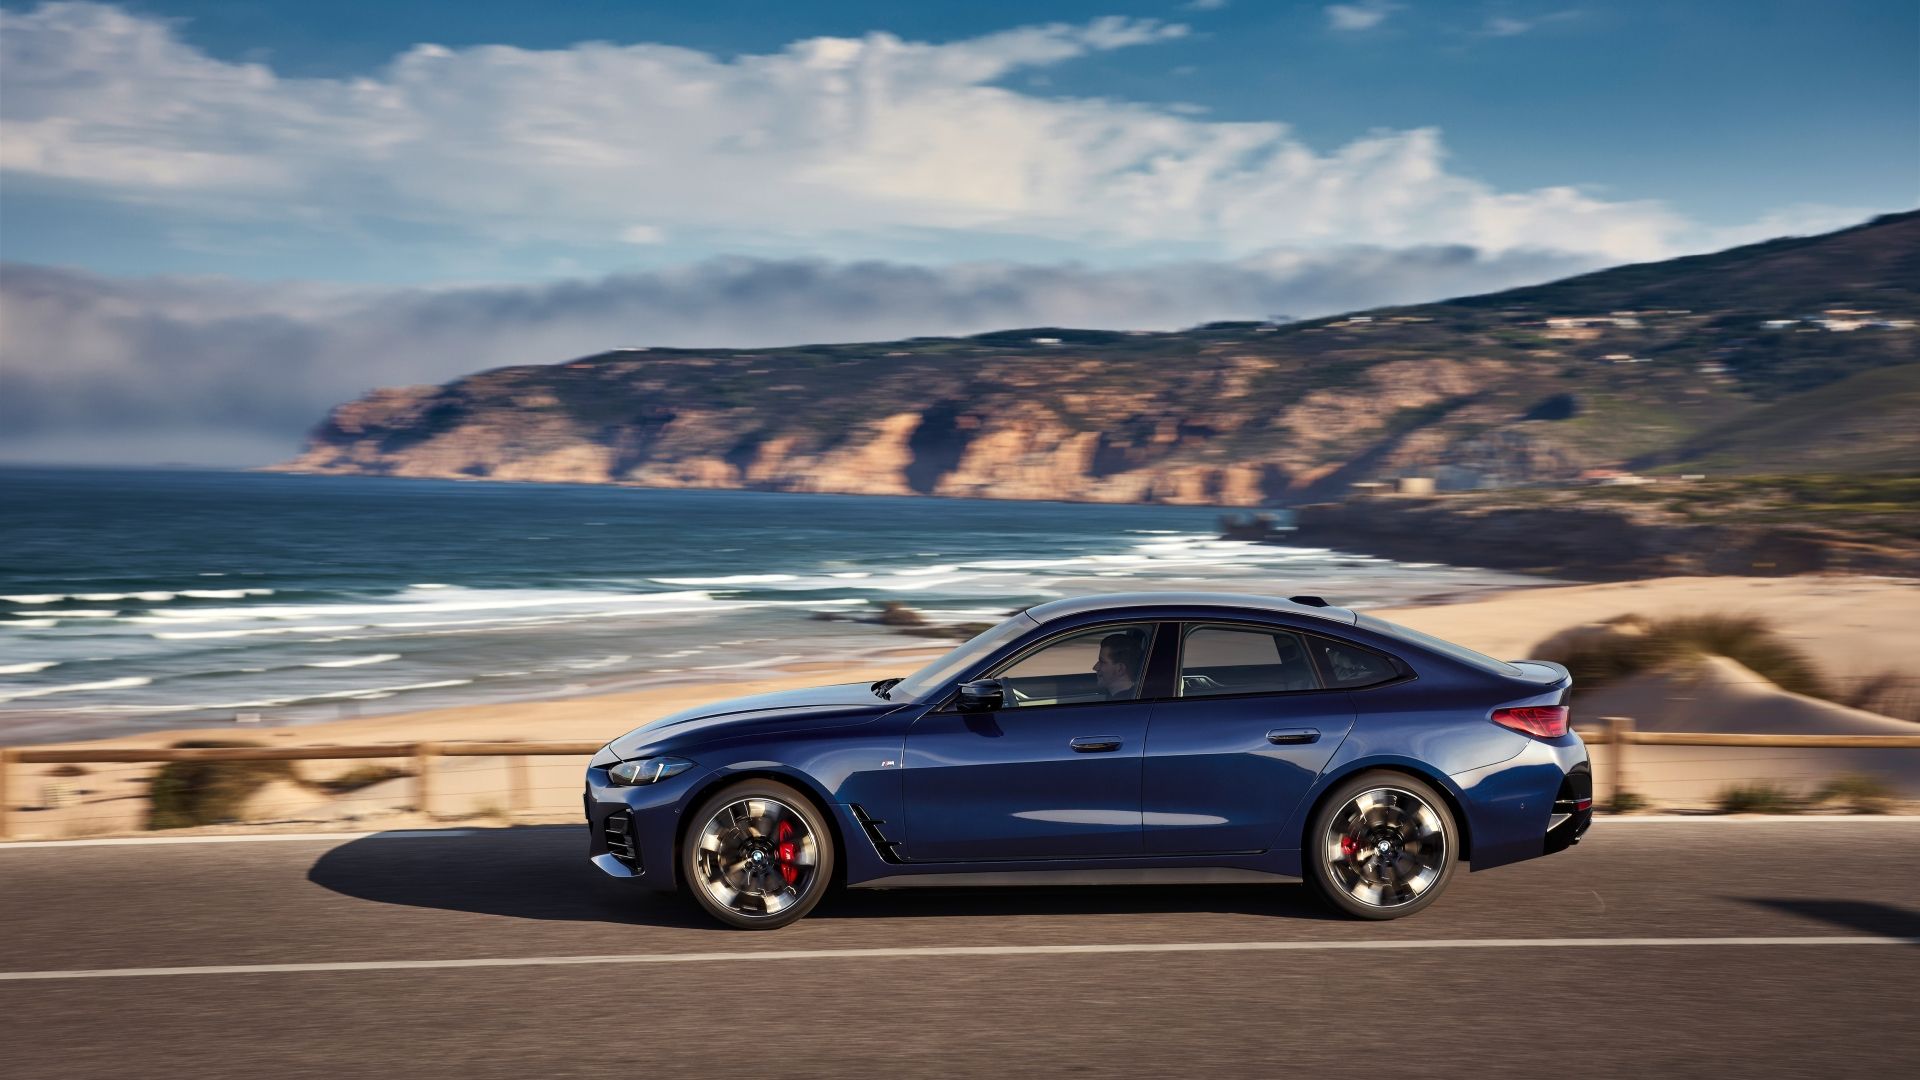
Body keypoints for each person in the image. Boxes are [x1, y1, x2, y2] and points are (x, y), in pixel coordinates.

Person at [1092, 632, 1145, 700]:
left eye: (1102, 662)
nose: (1095, 667)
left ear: (1120, 669)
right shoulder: (1130, 697)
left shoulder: (1121, 705)